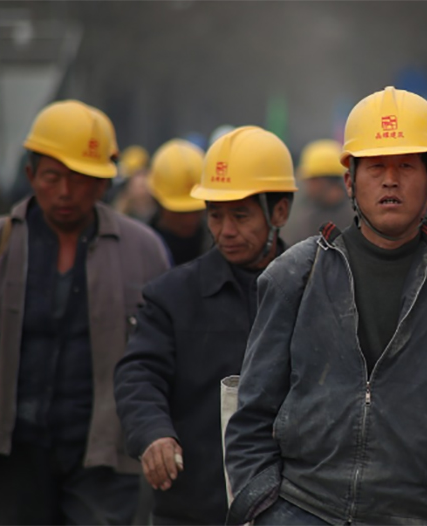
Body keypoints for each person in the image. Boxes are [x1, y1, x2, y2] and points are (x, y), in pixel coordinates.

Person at [225, 86, 427, 525]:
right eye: (376, 167)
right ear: (349, 181)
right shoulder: (295, 276)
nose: (390, 180)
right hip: (307, 509)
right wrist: (267, 510)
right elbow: (251, 418)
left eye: (406, 166)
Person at [0, 100, 170, 524]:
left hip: (103, 460)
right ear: (31, 176)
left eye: (79, 179)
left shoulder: (143, 251)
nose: (65, 192)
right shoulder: (0, 244)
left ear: (103, 183)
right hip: (13, 455)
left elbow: (164, 356)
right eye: (52, 177)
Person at [114, 126, 296, 525]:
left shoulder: (315, 289)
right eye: (215, 215)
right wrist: (153, 432)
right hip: (193, 509)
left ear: (280, 212)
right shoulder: (173, 296)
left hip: (292, 509)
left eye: (241, 215)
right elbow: (139, 373)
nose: (225, 231)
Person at [146, 139, 211, 266]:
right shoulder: (136, 246)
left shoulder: (222, 246)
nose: (189, 220)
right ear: (156, 201)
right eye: (180, 212)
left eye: (196, 211)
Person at [282, 139, 354, 244]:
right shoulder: (305, 216)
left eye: (312, 180)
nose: (307, 185)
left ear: (327, 180)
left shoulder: (355, 218)